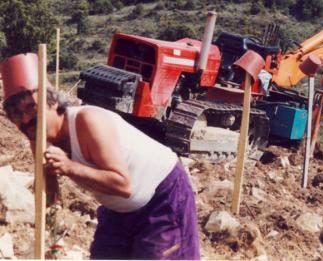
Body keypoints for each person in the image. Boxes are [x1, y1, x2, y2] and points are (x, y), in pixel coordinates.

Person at [1, 53, 200, 259]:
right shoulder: (39, 139)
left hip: (163, 196)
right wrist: (53, 242)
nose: (25, 119)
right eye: (16, 113)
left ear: (52, 102)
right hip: (118, 209)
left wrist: (68, 166)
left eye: (31, 108)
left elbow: (123, 185)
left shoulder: (88, 121)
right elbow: (50, 194)